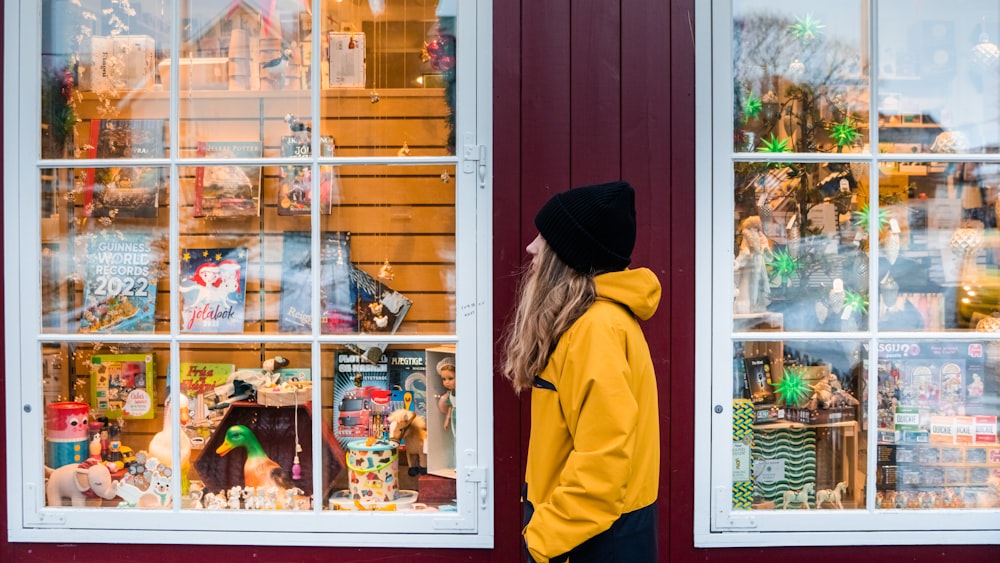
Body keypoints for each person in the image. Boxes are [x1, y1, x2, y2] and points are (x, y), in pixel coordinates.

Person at [501, 181, 660, 563]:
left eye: (544, 238)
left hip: (587, 543)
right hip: (586, 534)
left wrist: (539, 540)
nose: (531, 248)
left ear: (567, 255)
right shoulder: (596, 322)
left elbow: (602, 465)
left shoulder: (596, 329)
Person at [436, 356, 456, 433]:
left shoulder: (462, 394)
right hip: (454, 417)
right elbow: (450, 406)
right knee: (455, 433)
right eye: (444, 379)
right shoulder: (451, 394)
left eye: (450, 378)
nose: (446, 382)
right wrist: (447, 419)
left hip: (462, 417)